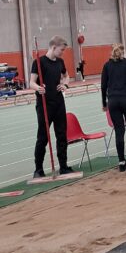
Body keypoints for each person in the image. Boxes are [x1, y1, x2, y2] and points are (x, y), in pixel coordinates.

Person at [30, 35, 74, 178]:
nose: (63, 53)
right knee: (43, 137)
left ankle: (63, 166)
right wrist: (38, 88)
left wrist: (65, 84)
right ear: (54, 47)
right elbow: (31, 82)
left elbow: (67, 76)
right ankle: (38, 170)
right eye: (61, 50)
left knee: (61, 136)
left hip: (59, 103)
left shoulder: (60, 62)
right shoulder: (39, 62)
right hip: (44, 104)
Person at [100, 44, 126, 172]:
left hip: (113, 101)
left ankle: (122, 162)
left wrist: (104, 103)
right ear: (123, 52)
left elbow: (103, 86)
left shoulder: (107, 65)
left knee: (119, 130)